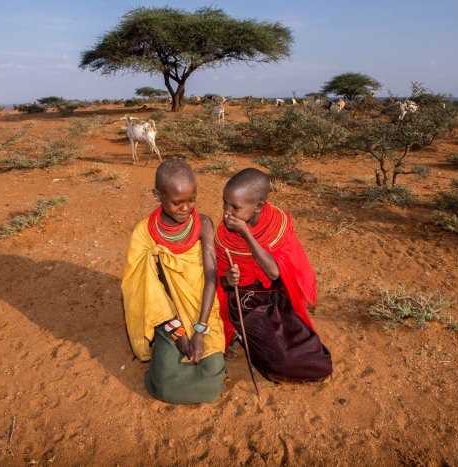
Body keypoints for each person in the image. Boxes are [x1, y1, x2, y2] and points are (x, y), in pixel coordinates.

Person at [122, 159, 226, 404]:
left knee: (212, 386)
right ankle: (164, 362)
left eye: (192, 200)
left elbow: (211, 278)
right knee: (166, 388)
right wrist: (179, 334)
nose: (186, 208)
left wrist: (199, 331)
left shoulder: (204, 224)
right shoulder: (144, 234)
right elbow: (149, 293)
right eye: (177, 202)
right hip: (167, 318)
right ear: (157, 195)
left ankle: (197, 367)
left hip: (204, 311)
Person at [214, 168, 332, 382]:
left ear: (259, 206)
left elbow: (274, 272)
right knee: (280, 360)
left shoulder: (277, 224)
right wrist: (228, 280)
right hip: (246, 302)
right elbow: (217, 279)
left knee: (305, 347)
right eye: (224, 203)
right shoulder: (223, 237)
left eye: (235, 207)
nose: (226, 213)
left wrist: (246, 234)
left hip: (279, 295)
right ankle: (241, 334)